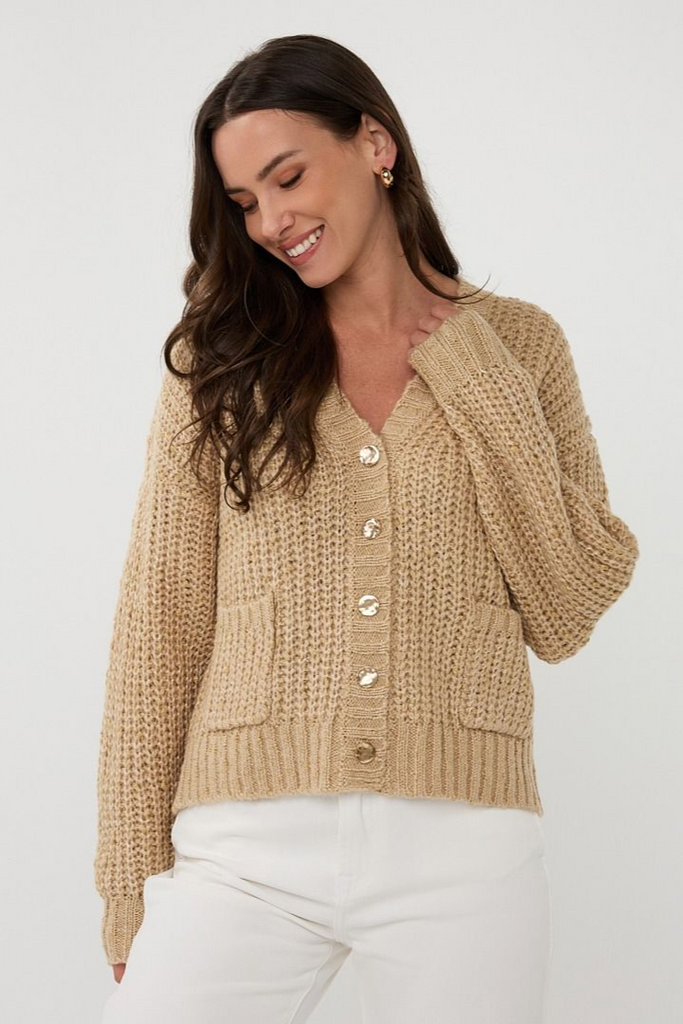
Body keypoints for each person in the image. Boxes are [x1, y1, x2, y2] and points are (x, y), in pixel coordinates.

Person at [95, 33, 640, 1024]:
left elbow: (565, 609)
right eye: (243, 202)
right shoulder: (223, 362)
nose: (271, 221)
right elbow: (159, 625)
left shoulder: (519, 344)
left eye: (288, 176)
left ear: (375, 145)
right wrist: (128, 881)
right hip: (243, 850)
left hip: (463, 854)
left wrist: (477, 379)